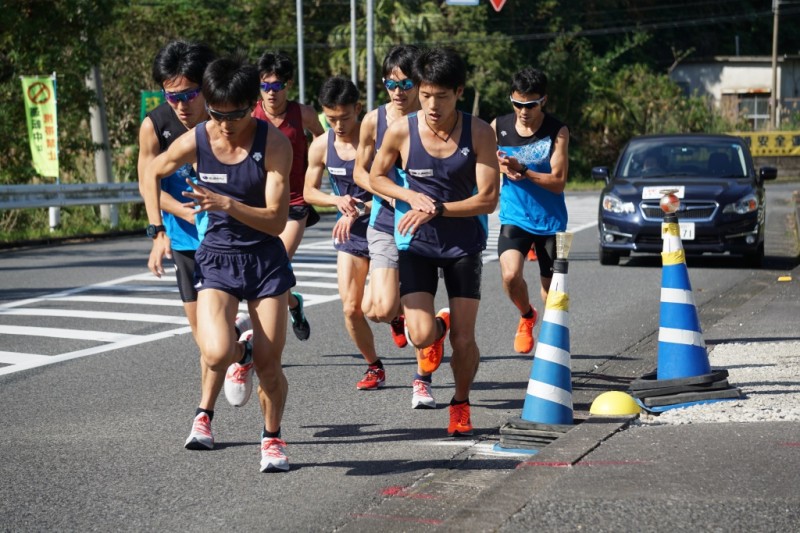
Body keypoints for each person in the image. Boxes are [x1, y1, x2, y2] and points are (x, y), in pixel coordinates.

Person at [141, 52, 296, 473]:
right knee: (216, 350)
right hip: (218, 258)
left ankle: (272, 438)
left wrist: (226, 203)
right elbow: (149, 170)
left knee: (269, 362)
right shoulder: (197, 139)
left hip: (264, 259)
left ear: (254, 105)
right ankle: (227, 373)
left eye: (236, 114)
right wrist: (160, 224)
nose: (225, 124)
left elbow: (277, 220)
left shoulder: (274, 144)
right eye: (216, 114)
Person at [369, 47, 500, 436]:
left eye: (440, 96)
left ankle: (460, 402)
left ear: (458, 92)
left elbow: (488, 199)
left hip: (463, 244)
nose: (431, 105)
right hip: (417, 244)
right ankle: (436, 329)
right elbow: (376, 177)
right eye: (424, 95)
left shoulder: (478, 132)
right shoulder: (401, 131)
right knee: (422, 334)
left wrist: (439, 209)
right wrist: (409, 197)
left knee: (465, 339)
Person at [137, 40, 252, 451]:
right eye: (173, 95)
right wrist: (160, 229)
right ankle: (243, 353)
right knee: (208, 346)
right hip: (187, 242)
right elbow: (147, 178)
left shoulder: (230, 118)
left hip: (230, 243)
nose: (182, 104)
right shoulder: (156, 125)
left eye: (189, 94)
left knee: (211, 348)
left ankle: (203, 418)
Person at [303, 76, 383, 390]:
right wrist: (336, 200)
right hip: (349, 232)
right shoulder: (322, 145)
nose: (338, 125)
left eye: (344, 117)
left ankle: (418, 335)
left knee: (379, 305)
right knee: (351, 308)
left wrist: (363, 206)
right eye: (330, 118)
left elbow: (397, 188)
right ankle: (374, 366)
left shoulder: (377, 139)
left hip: (383, 227)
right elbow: (308, 192)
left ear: (358, 109)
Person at [492, 67, 569, 355]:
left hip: (551, 222)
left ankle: (550, 350)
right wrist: (500, 166)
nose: (523, 111)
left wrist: (522, 170)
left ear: (543, 101)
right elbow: (484, 160)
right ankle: (526, 315)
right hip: (515, 217)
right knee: (510, 276)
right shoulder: (498, 126)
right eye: (517, 104)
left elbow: (558, 182)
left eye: (530, 105)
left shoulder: (556, 131)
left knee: (552, 293)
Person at [353, 44, 422, 351]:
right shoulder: (373, 120)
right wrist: (391, 194)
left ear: (419, 83)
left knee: (400, 307)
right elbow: (359, 172)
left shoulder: (429, 118)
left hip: (422, 221)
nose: (398, 91)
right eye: (391, 84)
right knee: (374, 310)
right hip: (384, 218)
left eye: (406, 84)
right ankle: (399, 313)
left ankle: (424, 368)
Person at [253, 51, 325, 342]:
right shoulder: (250, 115)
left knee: (274, 264)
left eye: (277, 86)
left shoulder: (303, 114)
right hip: (258, 204)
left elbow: (324, 141)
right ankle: (293, 303)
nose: (271, 93)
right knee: (266, 272)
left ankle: (268, 343)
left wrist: (319, 174)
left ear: (288, 85)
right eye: (266, 86)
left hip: (295, 202)